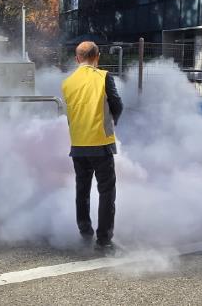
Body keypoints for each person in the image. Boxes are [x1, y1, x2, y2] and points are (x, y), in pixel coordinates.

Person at [61, 41, 123, 253]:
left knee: (82, 189)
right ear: (97, 57)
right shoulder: (104, 76)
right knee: (106, 192)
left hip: (78, 144)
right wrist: (113, 120)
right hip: (101, 143)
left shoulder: (67, 83)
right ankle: (104, 240)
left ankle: (85, 231)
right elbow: (117, 104)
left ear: (77, 58)